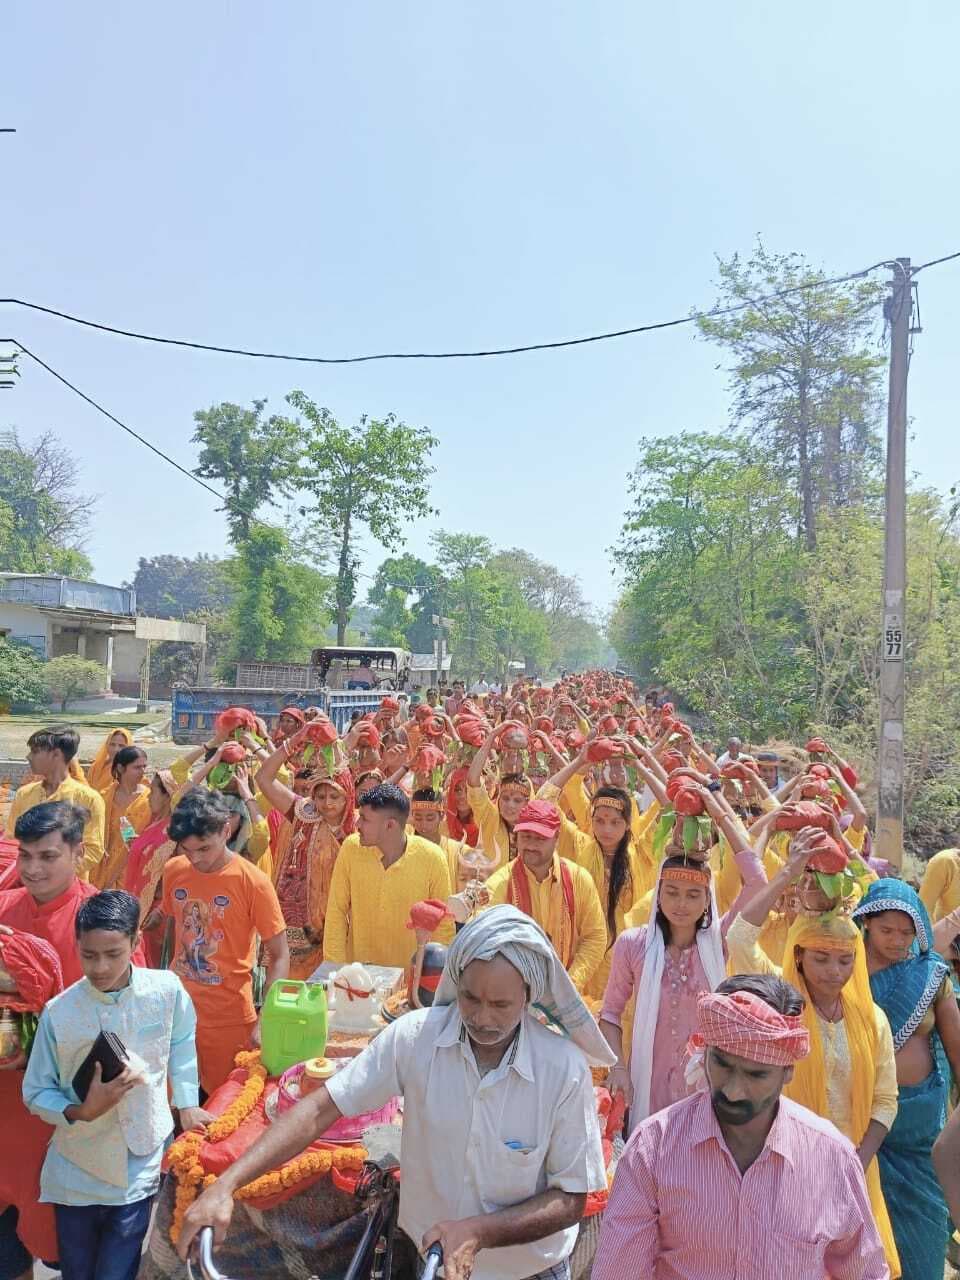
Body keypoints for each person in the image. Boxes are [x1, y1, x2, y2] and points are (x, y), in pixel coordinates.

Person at [178, 905, 613, 1280]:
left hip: (528, 1271)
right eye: (470, 999)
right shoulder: (414, 1039)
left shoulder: (564, 1070)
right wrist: (227, 1185)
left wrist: (479, 1231)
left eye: (500, 1005)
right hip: (427, 1259)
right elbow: (321, 1108)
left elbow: (570, 1198)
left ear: (529, 995)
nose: (481, 1017)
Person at [592, 976, 890, 1279]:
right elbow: (619, 1271)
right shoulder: (653, 1148)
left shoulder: (831, 1158)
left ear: (787, 1072)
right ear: (705, 1052)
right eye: (722, 1065)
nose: (733, 1091)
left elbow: (864, 1273)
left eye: (755, 1075)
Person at [727, 830, 900, 1274]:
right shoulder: (780, 1003)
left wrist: (851, 1166)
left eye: (844, 960)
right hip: (787, 1167)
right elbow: (741, 939)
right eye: (821, 959)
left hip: (855, 1170)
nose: (834, 971)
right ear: (799, 957)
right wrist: (786, 874)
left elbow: (885, 1101)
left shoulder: (872, 1020)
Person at [22, 890, 209, 1280]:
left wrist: (187, 1102)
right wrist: (80, 1111)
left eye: (113, 954)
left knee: (116, 1272)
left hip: (138, 1161)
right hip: (77, 1170)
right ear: (77, 946)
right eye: (89, 956)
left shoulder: (166, 991)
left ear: (136, 943)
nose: (101, 967)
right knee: (78, 1272)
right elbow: (36, 1091)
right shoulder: (60, 1013)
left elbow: (181, 1042)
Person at [0, 802, 119, 1280]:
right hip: (7, 1116)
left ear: (78, 852)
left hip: (67, 1120)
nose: (32, 869)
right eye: (26, 856)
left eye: (48, 857)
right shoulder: (5, 910)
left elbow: (121, 1028)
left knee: (70, 1253)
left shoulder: (102, 925)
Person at [852, 879, 960, 1280]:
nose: (897, 941)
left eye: (906, 932)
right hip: (859, 1125)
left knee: (924, 1235)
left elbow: (956, 1047)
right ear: (865, 923)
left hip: (919, 1132)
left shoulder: (930, 974)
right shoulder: (841, 966)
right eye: (887, 931)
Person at [160, 788, 289, 1095]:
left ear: (226, 830)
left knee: (224, 1108)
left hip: (229, 1021)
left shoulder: (252, 882)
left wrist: (265, 1019)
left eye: (203, 849)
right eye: (186, 850)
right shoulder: (174, 871)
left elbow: (280, 954)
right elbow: (171, 933)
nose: (195, 859)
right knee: (176, 1106)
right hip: (177, 1017)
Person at [600, 855, 726, 1127]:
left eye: (693, 895)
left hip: (703, 1086)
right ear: (657, 895)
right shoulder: (633, 945)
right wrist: (618, 1069)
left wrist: (719, 814)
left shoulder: (718, 946)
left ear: (707, 900)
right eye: (671, 892)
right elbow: (610, 1014)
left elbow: (755, 881)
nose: (681, 904)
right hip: (647, 1085)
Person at [256, 729, 358, 980]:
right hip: (290, 924)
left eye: (335, 796)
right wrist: (295, 739)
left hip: (333, 928)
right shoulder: (303, 813)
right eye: (321, 796)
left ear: (348, 797)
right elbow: (264, 778)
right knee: (283, 993)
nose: (327, 803)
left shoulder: (356, 830)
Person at [323, 783, 454, 967]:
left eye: (365, 819)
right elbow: (336, 912)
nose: (357, 824)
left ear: (390, 825)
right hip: (358, 979)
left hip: (409, 983)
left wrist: (431, 980)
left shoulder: (432, 857)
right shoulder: (352, 849)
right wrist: (334, 971)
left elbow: (443, 925)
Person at [484, 800, 606, 993]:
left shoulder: (579, 879)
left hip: (567, 994)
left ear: (556, 838)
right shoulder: (501, 882)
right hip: (514, 995)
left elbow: (595, 937)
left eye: (539, 839)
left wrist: (569, 985)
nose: (531, 845)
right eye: (525, 837)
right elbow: (486, 936)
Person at [5, 728, 106, 882]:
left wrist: (51, 875)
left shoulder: (89, 798)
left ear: (56, 754)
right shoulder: (24, 794)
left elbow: (93, 850)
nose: (29, 757)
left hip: (68, 887)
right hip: (26, 884)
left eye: (35, 751)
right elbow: (11, 840)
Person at [122, 769, 179, 967]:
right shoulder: (155, 824)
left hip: (156, 915)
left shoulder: (174, 832)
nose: (148, 798)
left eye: (153, 791)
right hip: (140, 909)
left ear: (167, 796)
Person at [92, 746, 151, 891]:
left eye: (144, 766)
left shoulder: (149, 799)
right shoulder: (103, 797)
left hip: (136, 868)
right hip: (105, 867)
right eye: (137, 767)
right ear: (120, 768)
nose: (143, 771)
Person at [86, 728, 134, 794]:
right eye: (112, 744)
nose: (116, 749)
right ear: (107, 745)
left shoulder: (130, 770)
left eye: (121, 746)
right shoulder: (96, 766)